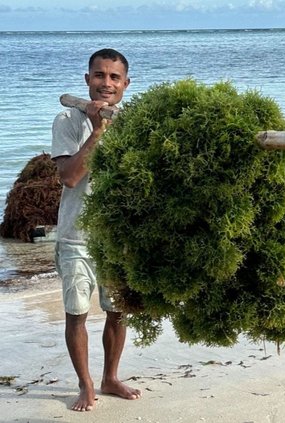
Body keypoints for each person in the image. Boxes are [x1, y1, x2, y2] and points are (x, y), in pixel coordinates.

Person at [52, 48, 141, 412]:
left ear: (125, 84)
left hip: (115, 238)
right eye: (99, 75)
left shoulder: (133, 123)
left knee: (117, 311)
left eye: (114, 77)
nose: (107, 83)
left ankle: (110, 377)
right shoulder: (68, 120)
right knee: (77, 313)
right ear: (87, 79)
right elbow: (69, 177)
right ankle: (86, 384)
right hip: (76, 237)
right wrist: (99, 130)